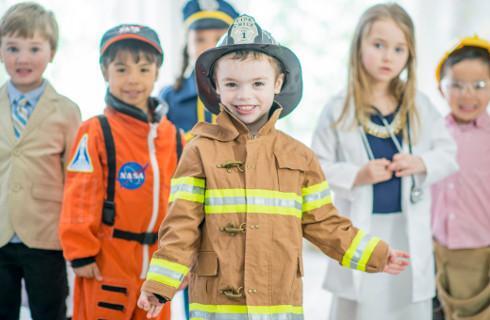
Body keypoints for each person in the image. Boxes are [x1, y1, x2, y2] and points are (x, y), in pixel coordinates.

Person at [137, 14, 410, 319]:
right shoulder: (199, 150)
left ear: (277, 83)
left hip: (278, 304)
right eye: (231, 83)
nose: (244, 95)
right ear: (216, 86)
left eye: (258, 83)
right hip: (216, 306)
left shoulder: (300, 157)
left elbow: (325, 223)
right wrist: (160, 284)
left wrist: (376, 254)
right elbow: (181, 225)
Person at [311, 3, 458, 320]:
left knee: (406, 304)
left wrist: (421, 162)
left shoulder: (419, 104)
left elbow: (448, 154)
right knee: (359, 303)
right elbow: (314, 168)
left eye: (398, 48)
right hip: (361, 227)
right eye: (378, 45)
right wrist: (357, 175)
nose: (388, 56)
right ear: (358, 46)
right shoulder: (338, 108)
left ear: (410, 54)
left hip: (407, 229)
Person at [59, 24, 182, 320]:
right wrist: (80, 251)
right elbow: (80, 195)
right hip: (107, 262)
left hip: (158, 267)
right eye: (121, 69)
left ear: (157, 72)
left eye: (143, 69)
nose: (133, 80)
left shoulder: (174, 137)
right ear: (105, 72)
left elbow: (183, 207)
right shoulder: (96, 131)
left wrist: (181, 261)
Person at [0, 2, 81, 319]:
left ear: (52, 51)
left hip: (47, 236)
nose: (22, 58)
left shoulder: (66, 111)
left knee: (50, 312)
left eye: (34, 48)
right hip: (1, 233)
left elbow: (76, 180)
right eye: (12, 48)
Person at [431, 35, 490, 320]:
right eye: (456, 85)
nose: (468, 95)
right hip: (433, 249)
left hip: (480, 252)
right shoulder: (430, 135)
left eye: (479, 86)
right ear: (441, 89)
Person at [160, 0, 239, 141]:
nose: (209, 48)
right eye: (199, 39)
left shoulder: (247, 96)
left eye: (219, 39)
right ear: (187, 45)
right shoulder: (169, 98)